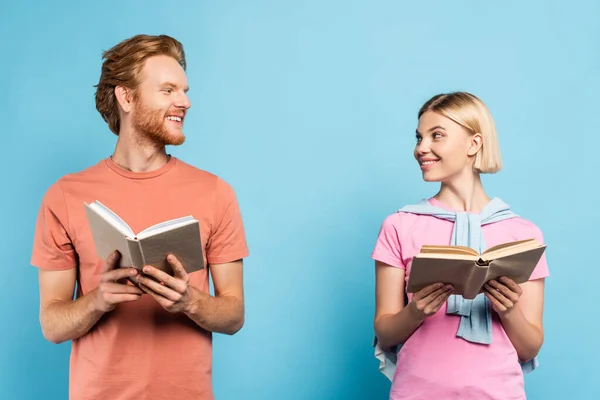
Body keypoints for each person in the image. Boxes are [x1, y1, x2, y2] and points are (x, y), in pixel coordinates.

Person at [30, 34, 249, 400]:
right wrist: (98, 299)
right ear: (126, 97)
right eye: (168, 90)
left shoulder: (215, 193)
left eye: (184, 90)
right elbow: (52, 324)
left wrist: (190, 302)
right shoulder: (65, 196)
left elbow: (234, 314)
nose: (185, 102)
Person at [371, 91, 549, 399]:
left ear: (474, 144)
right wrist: (416, 311)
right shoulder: (398, 225)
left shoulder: (524, 233)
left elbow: (530, 346)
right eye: (418, 138)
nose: (421, 148)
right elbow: (385, 333)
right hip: (417, 392)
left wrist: (508, 311)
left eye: (436, 135)